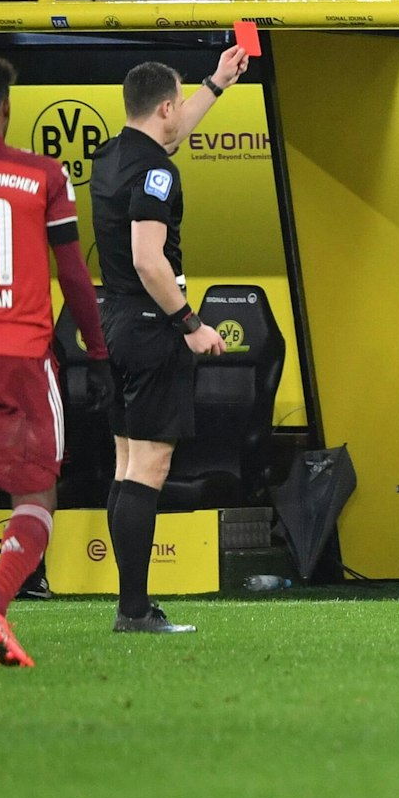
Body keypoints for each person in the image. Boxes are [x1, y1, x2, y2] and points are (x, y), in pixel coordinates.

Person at [90, 48, 250, 634]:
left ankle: (130, 604)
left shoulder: (111, 156)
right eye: (180, 103)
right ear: (163, 107)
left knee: (127, 465)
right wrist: (191, 324)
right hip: (154, 327)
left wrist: (215, 83)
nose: (184, 112)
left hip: (115, 323)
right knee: (148, 470)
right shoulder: (157, 172)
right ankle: (134, 610)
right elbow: (147, 258)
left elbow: (171, 137)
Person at [0, 51, 110, 668]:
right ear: (6, 108)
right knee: (37, 495)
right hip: (18, 352)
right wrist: (97, 350)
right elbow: (73, 272)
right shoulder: (42, 173)